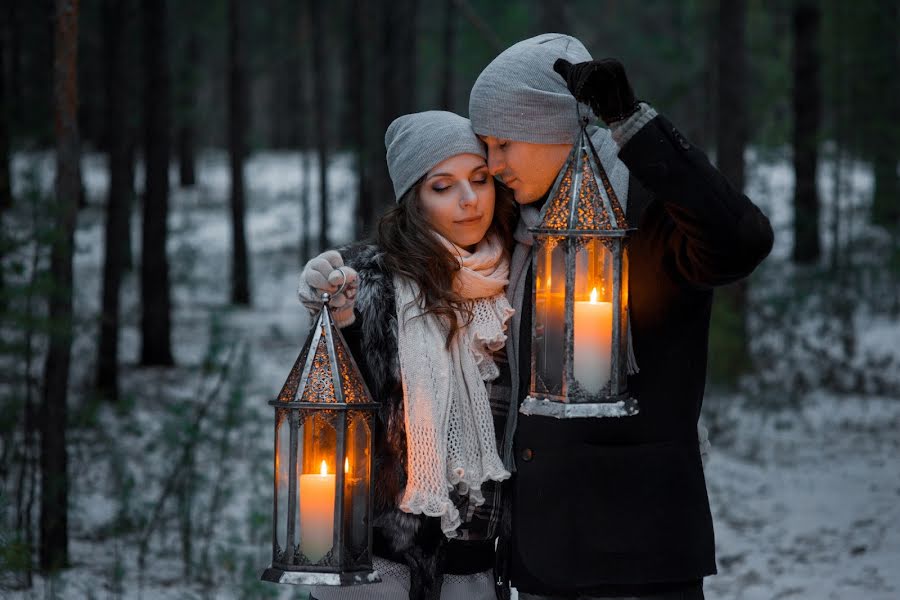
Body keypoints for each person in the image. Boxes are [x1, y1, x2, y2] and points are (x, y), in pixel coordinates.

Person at [464, 34, 773, 600]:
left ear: (556, 125)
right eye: (485, 143)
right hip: (538, 554)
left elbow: (740, 240)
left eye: (505, 141)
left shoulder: (650, 211)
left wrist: (630, 123)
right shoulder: (515, 231)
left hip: (636, 557)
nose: (492, 163)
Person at [299, 110, 517, 600]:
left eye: (479, 180)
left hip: (475, 560)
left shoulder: (517, 279)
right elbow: (340, 419)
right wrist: (338, 325)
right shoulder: (369, 284)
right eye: (443, 186)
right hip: (381, 563)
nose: (468, 200)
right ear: (413, 200)